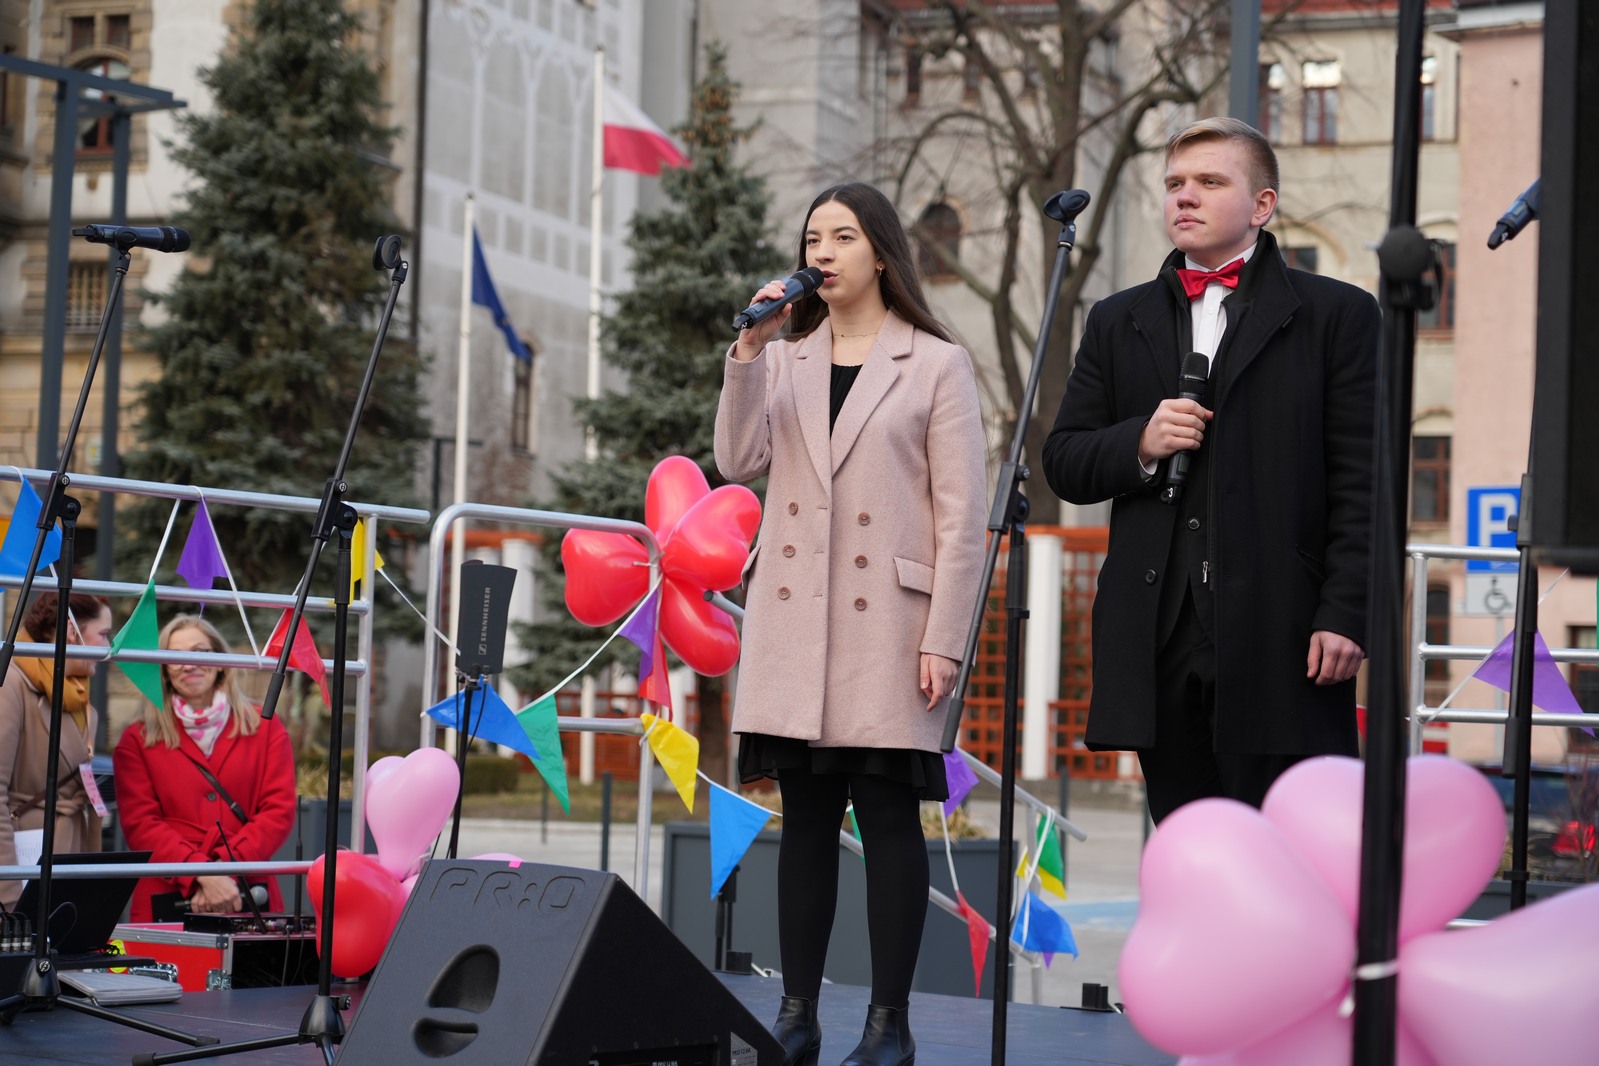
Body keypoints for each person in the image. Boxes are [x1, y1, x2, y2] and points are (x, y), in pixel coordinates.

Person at [716, 182, 987, 1066]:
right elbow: (737, 459)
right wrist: (748, 350)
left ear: (879, 252)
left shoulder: (936, 364)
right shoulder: (783, 358)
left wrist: (944, 636)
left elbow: (961, 517)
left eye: (841, 236)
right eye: (811, 238)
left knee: (887, 816)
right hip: (795, 620)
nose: (822, 251)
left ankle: (889, 1024)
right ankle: (795, 1014)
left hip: (889, 629)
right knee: (804, 820)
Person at [1042, 117, 1377, 824]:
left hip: (1283, 632)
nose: (1183, 197)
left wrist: (1345, 612)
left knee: (1284, 847)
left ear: (1261, 205)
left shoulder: (1337, 316)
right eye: (1173, 184)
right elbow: (1065, 460)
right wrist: (1140, 441)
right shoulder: (1115, 318)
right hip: (1156, 629)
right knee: (1188, 845)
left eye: (1208, 182)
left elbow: (1363, 480)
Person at [114, 614, 295, 921]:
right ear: (164, 671)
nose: (189, 664)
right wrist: (200, 875)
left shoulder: (265, 727)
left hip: (246, 892)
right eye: (175, 656)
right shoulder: (137, 739)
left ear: (221, 660)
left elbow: (278, 811)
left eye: (200, 652)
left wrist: (224, 870)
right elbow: (141, 824)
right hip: (168, 896)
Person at [0, 592, 114, 908]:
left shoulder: (73, 689)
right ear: (70, 631)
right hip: (23, 868)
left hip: (66, 858)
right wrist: (8, 899)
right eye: (103, 635)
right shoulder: (10, 683)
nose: (108, 648)